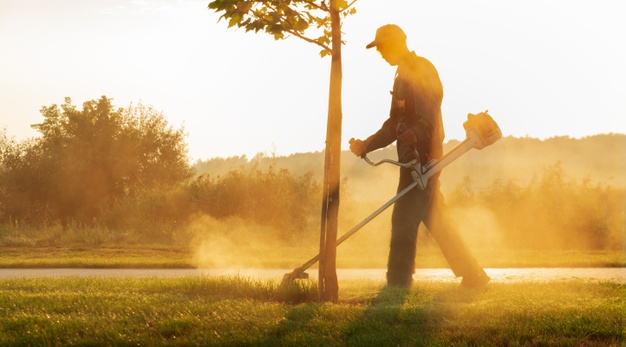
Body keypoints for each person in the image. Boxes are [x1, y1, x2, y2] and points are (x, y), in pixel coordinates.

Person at [349, 24, 490, 288]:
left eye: (382, 47)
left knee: (403, 218)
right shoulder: (401, 77)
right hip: (410, 159)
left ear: (398, 43)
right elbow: (394, 123)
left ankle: (398, 283)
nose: (380, 53)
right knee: (437, 220)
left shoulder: (421, 69)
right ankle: (474, 276)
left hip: (425, 159)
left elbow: (430, 117)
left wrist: (416, 134)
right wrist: (367, 144)